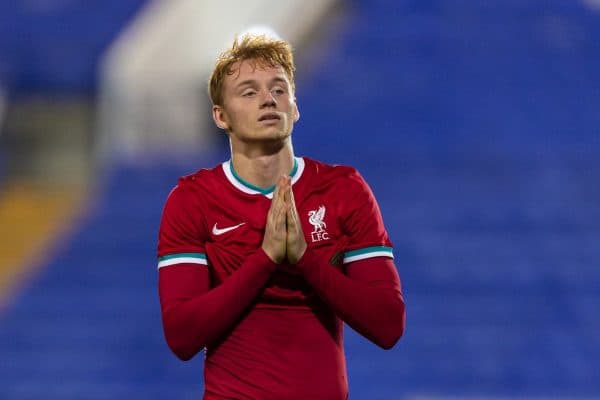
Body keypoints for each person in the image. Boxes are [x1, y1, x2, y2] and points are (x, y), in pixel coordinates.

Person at [157, 33, 405, 400]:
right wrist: (266, 259)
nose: (268, 99)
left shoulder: (343, 189)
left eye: (279, 89)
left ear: (295, 106)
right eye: (249, 91)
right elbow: (181, 336)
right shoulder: (193, 200)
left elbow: (388, 325)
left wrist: (305, 259)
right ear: (220, 116)